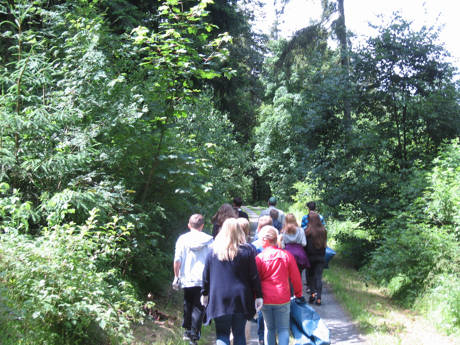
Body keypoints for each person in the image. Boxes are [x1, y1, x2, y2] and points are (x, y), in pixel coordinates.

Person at [201, 218, 263, 345]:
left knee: (222, 334)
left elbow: (206, 275)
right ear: (240, 232)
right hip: (241, 298)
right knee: (239, 334)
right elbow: (254, 276)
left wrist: (204, 293)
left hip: (219, 298)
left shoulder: (213, 251)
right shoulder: (248, 251)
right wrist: (259, 296)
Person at [256, 226, 304, 345]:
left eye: (261, 239)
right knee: (283, 329)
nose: (260, 242)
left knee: (269, 329)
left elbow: (255, 280)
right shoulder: (286, 255)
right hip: (282, 297)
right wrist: (298, 294)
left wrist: (255, 297)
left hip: (266, 298)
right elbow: (296, 277)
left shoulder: (259, 258)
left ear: (266, 240)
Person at [173, 214, 214, 344]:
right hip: (204, 278)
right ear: (202, 226)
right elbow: (214, 259)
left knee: (188, 302)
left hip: (187, 277)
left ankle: (188, 330)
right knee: (200, 305)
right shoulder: (209, 240)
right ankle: (194, 333)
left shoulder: (182, 239)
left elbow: (177, 259)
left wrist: (176, 276)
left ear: (189, 225)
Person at [251, 215, 273, 345]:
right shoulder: (276, 240)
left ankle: (260, 336)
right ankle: (269, 336)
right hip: (273, 278)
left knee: (261, 308)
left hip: (260, 279)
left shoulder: (255, 244)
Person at [305, 211, 327, 306]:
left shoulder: (308, 231)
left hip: (310, 257)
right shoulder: (323, 231)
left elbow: (305, 246)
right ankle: (319, 298)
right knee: (318, 277)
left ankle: (312, 294)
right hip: (321, 257)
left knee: (310, 278)